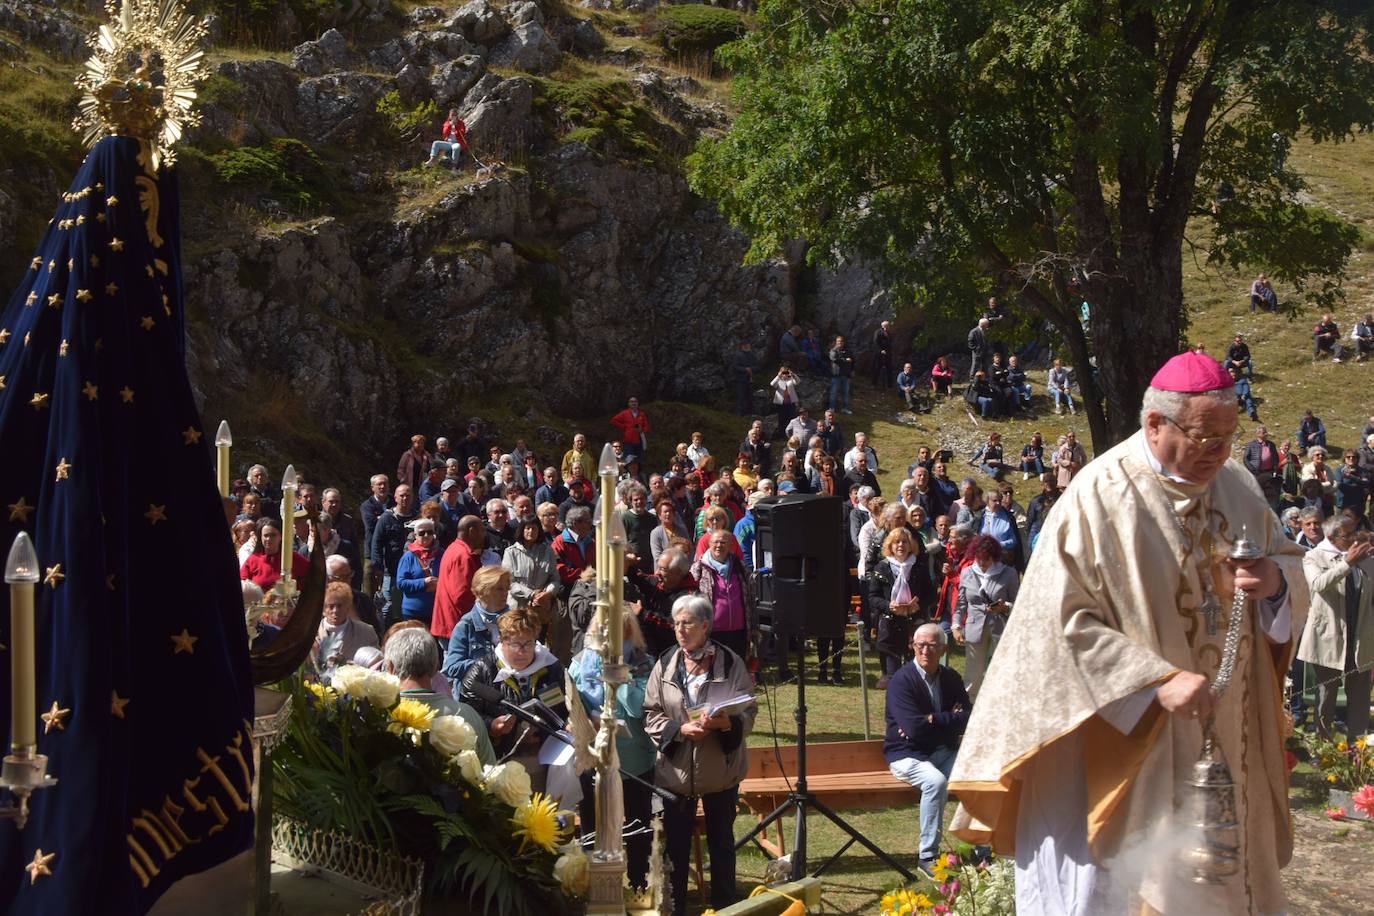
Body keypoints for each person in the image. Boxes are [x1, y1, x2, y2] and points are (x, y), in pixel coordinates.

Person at [948, 350, 1309, 915]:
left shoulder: (1237, 485)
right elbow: (1058, 624)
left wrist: (1276, 583)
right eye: (1204, 436)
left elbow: (1288, 563)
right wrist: (1151, 682)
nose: (1219, 451)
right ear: (1154, 424)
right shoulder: (1099, 496)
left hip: (1228, 739)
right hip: (1126, 737)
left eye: (1228, 436)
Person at [644, 595, 756, 916]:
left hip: (720, 771)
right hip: (676, 775)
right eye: (676, 623)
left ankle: (724, 905)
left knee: (722, 844)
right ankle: (676, 905)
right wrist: (680, 730)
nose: (680, 629)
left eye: (687, 623)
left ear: (705, 625)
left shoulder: (730, 662)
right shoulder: (665, 662)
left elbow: (748, 710)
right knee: (676, 847)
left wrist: (726, 724)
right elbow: (650, 713)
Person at [569, 613, 657, 889]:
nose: (608, 634)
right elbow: (571, 700)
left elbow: (639, 706)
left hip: (633, 761)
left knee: (637, 826)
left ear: (630, 631)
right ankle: (596, 886)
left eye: (617, 628)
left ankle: (638, 884)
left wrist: (617, 678)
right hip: (592, 757)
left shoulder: (644, 662)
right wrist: (576, 720)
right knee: (592, 828)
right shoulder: (580, 661)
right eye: (603, 627)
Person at [459, 606, 575, 803]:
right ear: (501, 641)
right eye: (514, 644)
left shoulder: (552, 668)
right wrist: (492, 726)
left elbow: (566, 709)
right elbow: (466, 716)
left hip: (544, 763)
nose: (522, 651)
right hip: (501, 762)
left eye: (528, 644)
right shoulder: (482, 671)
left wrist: (570, 724)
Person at [884, 622, 972, 878]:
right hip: (906, 753)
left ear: (943, 649)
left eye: (932, 646)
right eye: (920, 645)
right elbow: (914, 730)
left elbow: (968, 716)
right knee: (936, 781)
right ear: (912, 646)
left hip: (942, 750)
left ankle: (980, 847)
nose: (925, 651)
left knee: (974, 774)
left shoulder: (951, 678)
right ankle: (928, 855)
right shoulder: (902, 681)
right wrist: (947, 721)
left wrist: (934, 719)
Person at [1299, 515, 1373, 742]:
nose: (1354, 538)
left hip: (1360, 638)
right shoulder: (1313, 556)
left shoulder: (1367, 559)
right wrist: (1347, 563)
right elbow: (1318, 584)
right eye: (1348, 534)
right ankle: (1322, 751)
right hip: (1328, 638)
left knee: (1360, 698)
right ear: (1332, 537)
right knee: (1326, 696)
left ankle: (1357, 752)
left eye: (1355, 532)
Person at [385, 626, 495, 765]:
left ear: (390, 667)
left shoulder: (380, 716)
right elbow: (490, 773)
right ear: (436, 666)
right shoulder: (466, 715)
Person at [952, 533, 1018, 699]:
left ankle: (1001, 702)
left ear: (994, 557)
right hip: (974, 627)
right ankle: (969, 706)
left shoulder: (1009, 573)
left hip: (1001, 627)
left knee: (1001, 670)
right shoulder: (967, 572)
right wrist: (956, 625)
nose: (981, 563)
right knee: (973, 673)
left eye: (986, 559)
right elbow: (961, 604)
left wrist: (1004, 607)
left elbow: (1018, 603)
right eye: (978, 558)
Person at [868, 528, 935, 688]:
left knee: (916, 678)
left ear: (910, 545)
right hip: (890, 628)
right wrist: (888, 606)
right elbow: (873, 597)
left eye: (904, 541)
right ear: (890, 546)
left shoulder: (919, 567)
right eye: (896, 542)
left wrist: (918, 605)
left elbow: (932, 594)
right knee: (893, 678)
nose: (900, 545)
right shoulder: (881, 568)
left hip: (915, 626)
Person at [690, 530, 756, 664]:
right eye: (715, 542)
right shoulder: (699, 568)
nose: (719, 545)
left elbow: (750, 593)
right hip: (712, 632)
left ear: (730, 545)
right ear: (709, 544)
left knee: (737, 670)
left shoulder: (739, 566)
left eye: (723, 542)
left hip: (739, 631)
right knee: (715, 671)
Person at [444, 564, 514, 684]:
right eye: (499, 588)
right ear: (482, 592)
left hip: (509, 694)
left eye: (506, 588)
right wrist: (491, 664)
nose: (505, 593)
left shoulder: (515, 622)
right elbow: (451, 668)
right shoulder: (466, 625)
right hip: (475, 697)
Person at [433, 515, 486, 653]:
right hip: (456, 625)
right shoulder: (463, 556)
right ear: (472, 531)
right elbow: (462, 596)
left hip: (449, 623)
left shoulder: (453, 549)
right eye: (482, 531)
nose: (484, 535)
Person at [311, 581, 380, 680]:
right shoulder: (310, 634)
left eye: (339, 606)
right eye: (331, 606)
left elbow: (376, 666)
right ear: (323, 609)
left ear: (348, 608)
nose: (335, 610)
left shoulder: (366, 632)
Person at [394, 517, 441, 628]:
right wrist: (424, 582)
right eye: (422, 533)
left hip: (437, 610)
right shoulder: (408, 557)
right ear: (415, 536)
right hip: (413, 612)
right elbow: (401, 583)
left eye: (429, 532)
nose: (426, 535)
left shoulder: (442, 554)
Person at [239, 518, 308, 593]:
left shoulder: (292, 558)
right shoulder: (253, 560)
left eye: (273, 535)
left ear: (281, 536)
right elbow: (243, 583)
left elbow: (312, 575)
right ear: (261, 538)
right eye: (265, 536)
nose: (268, 539)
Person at [1243, 425, 1282, 509]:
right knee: (1256, 492)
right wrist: (1252, 470)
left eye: (1266, 432)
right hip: (1256, 473)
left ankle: (1270, 510)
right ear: (1258, 434)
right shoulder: (1251, 444)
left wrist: (1274, 468)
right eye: (1264, 432)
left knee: (1269, 493)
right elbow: (1245, 458)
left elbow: (1276, 457)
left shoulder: (1271, 444)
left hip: (1268, 472)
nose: (1266, 434)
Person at [610, 397, 651, 465]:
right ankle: (627, 474)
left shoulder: (642, 414)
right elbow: (613, 421)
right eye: (631, 402)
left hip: (639, 441)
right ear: (629, 404)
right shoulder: (625, 413)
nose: (633, 403)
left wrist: (642, 429)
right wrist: (624, 427)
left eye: (635, 402)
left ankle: (638, 474)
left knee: (639, 460)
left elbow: (647, 427)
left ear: (637, 403)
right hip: (628, 442)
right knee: (628, 460)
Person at [1333, 449, 1371, 517]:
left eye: (1354, 457)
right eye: (1348, 457)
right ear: (1344, 459)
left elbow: (1367, 484)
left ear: (1357, 458)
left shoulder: (1363, 471)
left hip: (1358, 505)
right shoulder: (1339, 470)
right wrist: (1358, 486)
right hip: (1342, 504)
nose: (1351, 458)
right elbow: (1340, 485)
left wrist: (1351, 477)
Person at [828, 334, 855, 414]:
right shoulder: (833, 350)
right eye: (838, 341)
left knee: (845, 393)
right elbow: (834, 359)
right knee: (833, 392)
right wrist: (845, 360)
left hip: (846, 375)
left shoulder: (848, 351)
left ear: (844, 342)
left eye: (841, 341)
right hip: (836, 375)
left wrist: (852, 370)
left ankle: (845, 408)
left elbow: (853, 360)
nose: (840, 343)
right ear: (836, 342)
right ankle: (831, 408)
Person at [730, 340, 757, 415]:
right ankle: (739, 414)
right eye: (746, 345)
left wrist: (751, 369)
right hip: (740, 380)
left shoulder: (752, 355)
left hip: (749, 379)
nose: (747, 347)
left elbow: (757, 365)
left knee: (750, 398)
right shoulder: (737, 355)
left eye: (748, 345)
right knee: (740, 398)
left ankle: (749, 414)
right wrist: (745, 369)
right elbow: (735, 366)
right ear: (742, 346)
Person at [871, 319, 894, 387]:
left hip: (888, 353)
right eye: (887, 325)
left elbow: (890, 343)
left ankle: (889, 385)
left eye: (889, 326)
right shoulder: (878, 332)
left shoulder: (889, 333)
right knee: (877, 368)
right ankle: (874, 383)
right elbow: (876, 342)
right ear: (883, 326)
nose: (888, 327)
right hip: (879, 353)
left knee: (889, 368)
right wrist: (881, 350)